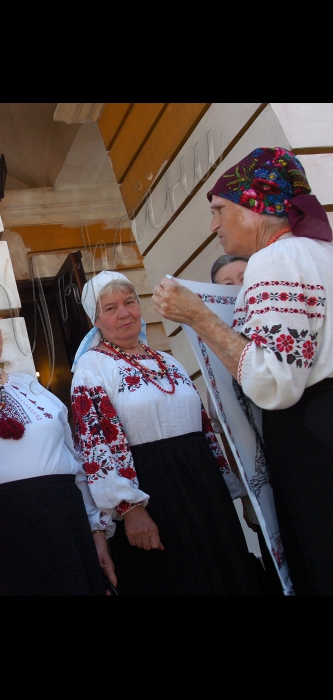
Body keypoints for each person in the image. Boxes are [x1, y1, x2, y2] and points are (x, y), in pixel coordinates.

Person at [153, 147, 333, 595]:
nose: (213, 225)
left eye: (219, 210)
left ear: (255, 209)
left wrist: (199, 318)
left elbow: (275, 380)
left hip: (313, 437)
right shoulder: (321, 253)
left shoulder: (274, 260)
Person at [72, 270, 262, 595]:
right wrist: (130, 509)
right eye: (110, 308)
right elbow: (94, 447)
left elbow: (205, 429)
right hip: (153, 494)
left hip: (202, 484)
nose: (124, 313)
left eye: (129, 302)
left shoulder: (167, 362)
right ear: (96, 320)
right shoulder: (91, 369)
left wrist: (238, 492)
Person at [0, 292, 114, 595]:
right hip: (0, 537)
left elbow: (75, 462)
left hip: (65, 527)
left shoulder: (30, 388)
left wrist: (96, 531)